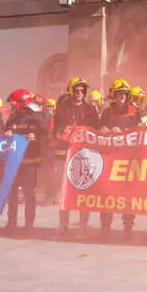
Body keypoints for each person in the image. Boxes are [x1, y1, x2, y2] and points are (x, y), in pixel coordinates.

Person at [53, 76, 101, 238]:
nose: (79, 93)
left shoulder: (91, 110)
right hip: (64, 154)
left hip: (84, 155)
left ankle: (83, 224)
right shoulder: (61, 109)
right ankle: (63, 224)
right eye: (76, 90)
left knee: (84, 190)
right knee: (64, 190)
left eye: (82, 91)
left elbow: (97, 130)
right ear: (71, 91)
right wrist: (62, 132)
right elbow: (54, 132)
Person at [99, 78, 140, 239]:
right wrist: (104, 129)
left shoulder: (135, 111)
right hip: (110, 156)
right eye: (118, 93)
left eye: (124, 93)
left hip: (128, 157)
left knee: (127, 194)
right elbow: (100, 129)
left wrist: (123, 130)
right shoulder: (107, 112)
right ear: (113, 95)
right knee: (106, 192)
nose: (121, 96)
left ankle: (128, 227)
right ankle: (105, 227)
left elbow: (141, 132)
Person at [3, 89, 48, 236]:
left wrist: (36, 137)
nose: (12, 105)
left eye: (14, 102)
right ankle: (11, 223)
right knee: (12, 193)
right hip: (14, 161)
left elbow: (46, 136)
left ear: (21, 102)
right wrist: (7, 132)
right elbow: (6, 130)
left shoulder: (36, 116)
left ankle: (29, 225)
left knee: (29, 193)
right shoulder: (13, 117)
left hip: (30, 161)